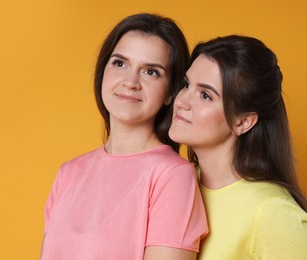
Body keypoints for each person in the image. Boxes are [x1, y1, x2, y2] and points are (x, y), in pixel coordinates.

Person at [40, 13, 208, 260]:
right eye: (120, 63)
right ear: (103, 71)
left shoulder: (172, 176)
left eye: (150, 72)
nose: (130, 82)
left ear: (170, 92)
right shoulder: (69, 173)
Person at [169, 35, 307, 259]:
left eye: (205, 95)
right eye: (186, 84)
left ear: (243, 122)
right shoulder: (175, 181)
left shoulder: (270, 212)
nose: (182, 101)